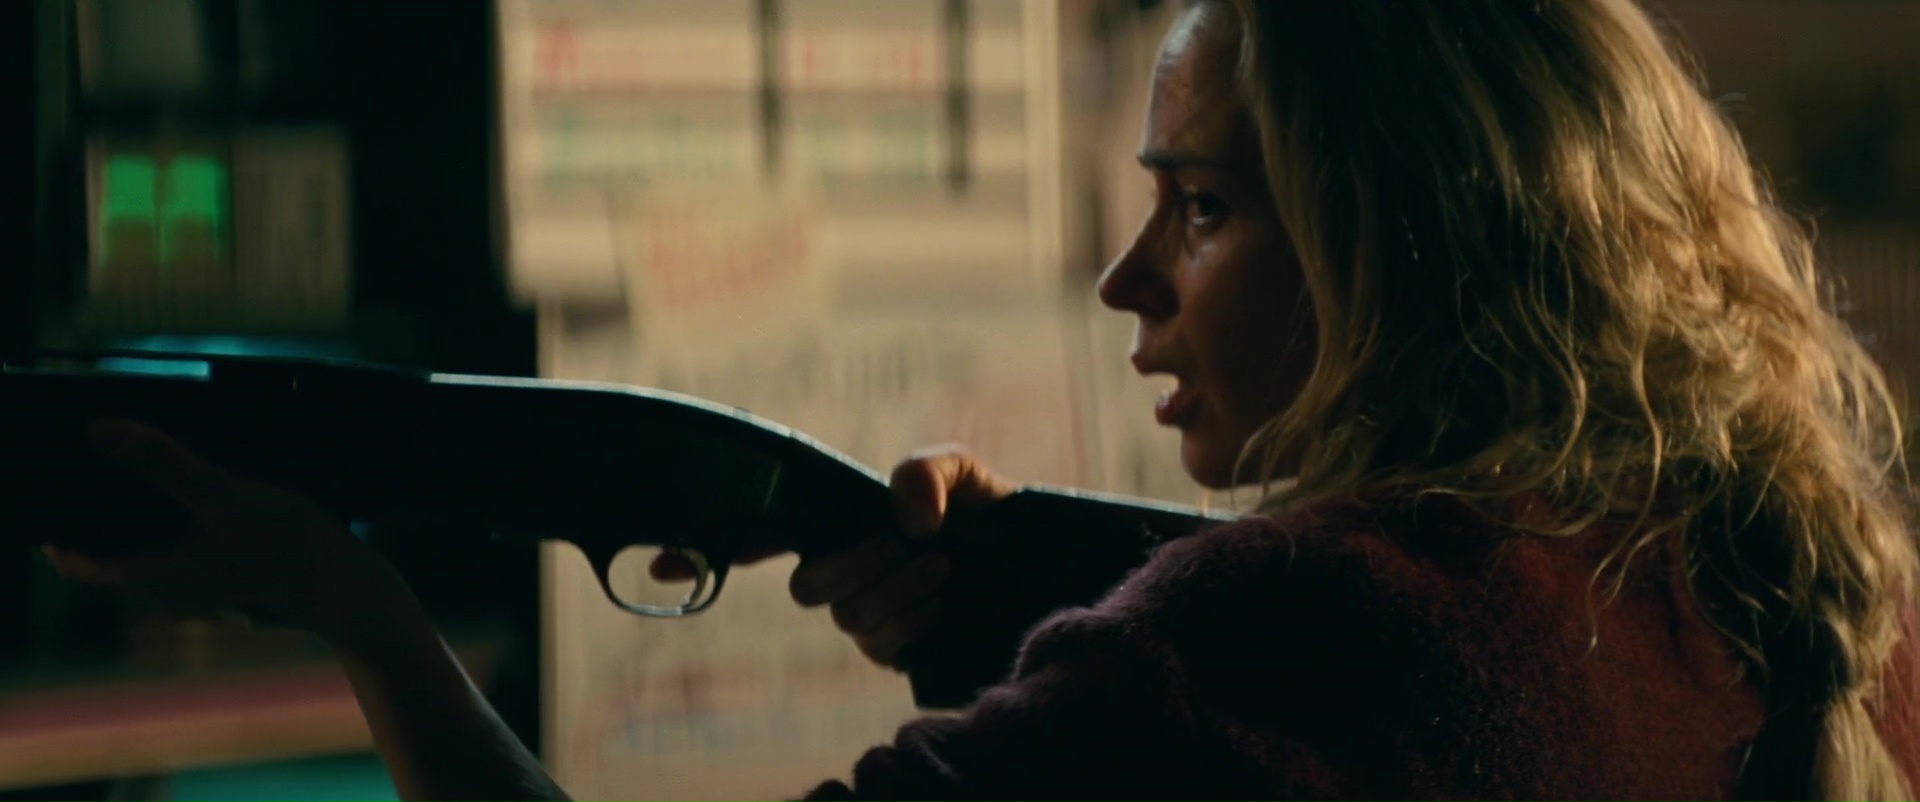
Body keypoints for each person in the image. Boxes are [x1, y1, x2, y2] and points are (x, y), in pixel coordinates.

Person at [43, 0, 1920, 799]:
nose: (1130, 282)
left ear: (1404, 239)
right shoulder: (1755, 584)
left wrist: (355, 605)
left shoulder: (1290, 627)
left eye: (1203, 208)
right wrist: (1007, 645)